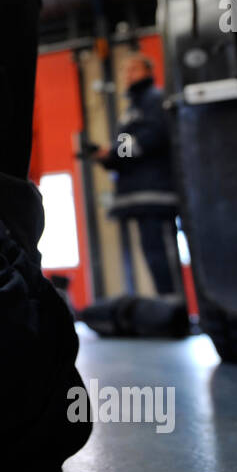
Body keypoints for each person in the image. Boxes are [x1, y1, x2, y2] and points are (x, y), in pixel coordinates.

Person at [89, 53, 180, 295]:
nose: (128, 75)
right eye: (125, 71)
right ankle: (167, 308)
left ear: (149, 72)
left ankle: (175, 310)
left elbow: (154, 136)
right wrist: (109, 158)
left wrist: (116, 151)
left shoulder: (155, 98)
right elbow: (129, 147)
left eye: (134, 69)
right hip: (139, 194)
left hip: (157, 193)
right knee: (153, 253)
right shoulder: (131, 109)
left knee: (164, 254)